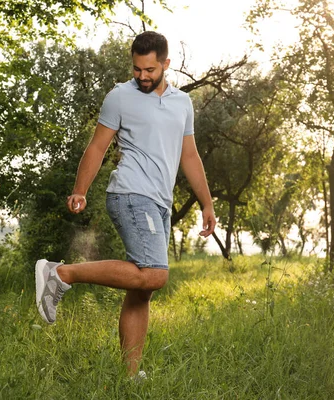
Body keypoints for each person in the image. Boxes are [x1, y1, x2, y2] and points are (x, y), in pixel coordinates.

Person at [35, 31, 216, 377]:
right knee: (155, 276)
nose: (143, 77)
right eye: (137, 69)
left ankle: (131, 377)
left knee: (141, 289)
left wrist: (206, 203)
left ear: (165, 63)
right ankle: (60, 273)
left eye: (149, 70)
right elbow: (98, 146)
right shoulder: (120, 96)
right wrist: (80, 189)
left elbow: (189, 155)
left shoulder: (182, 103)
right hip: (131, 193)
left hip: (160, 202)